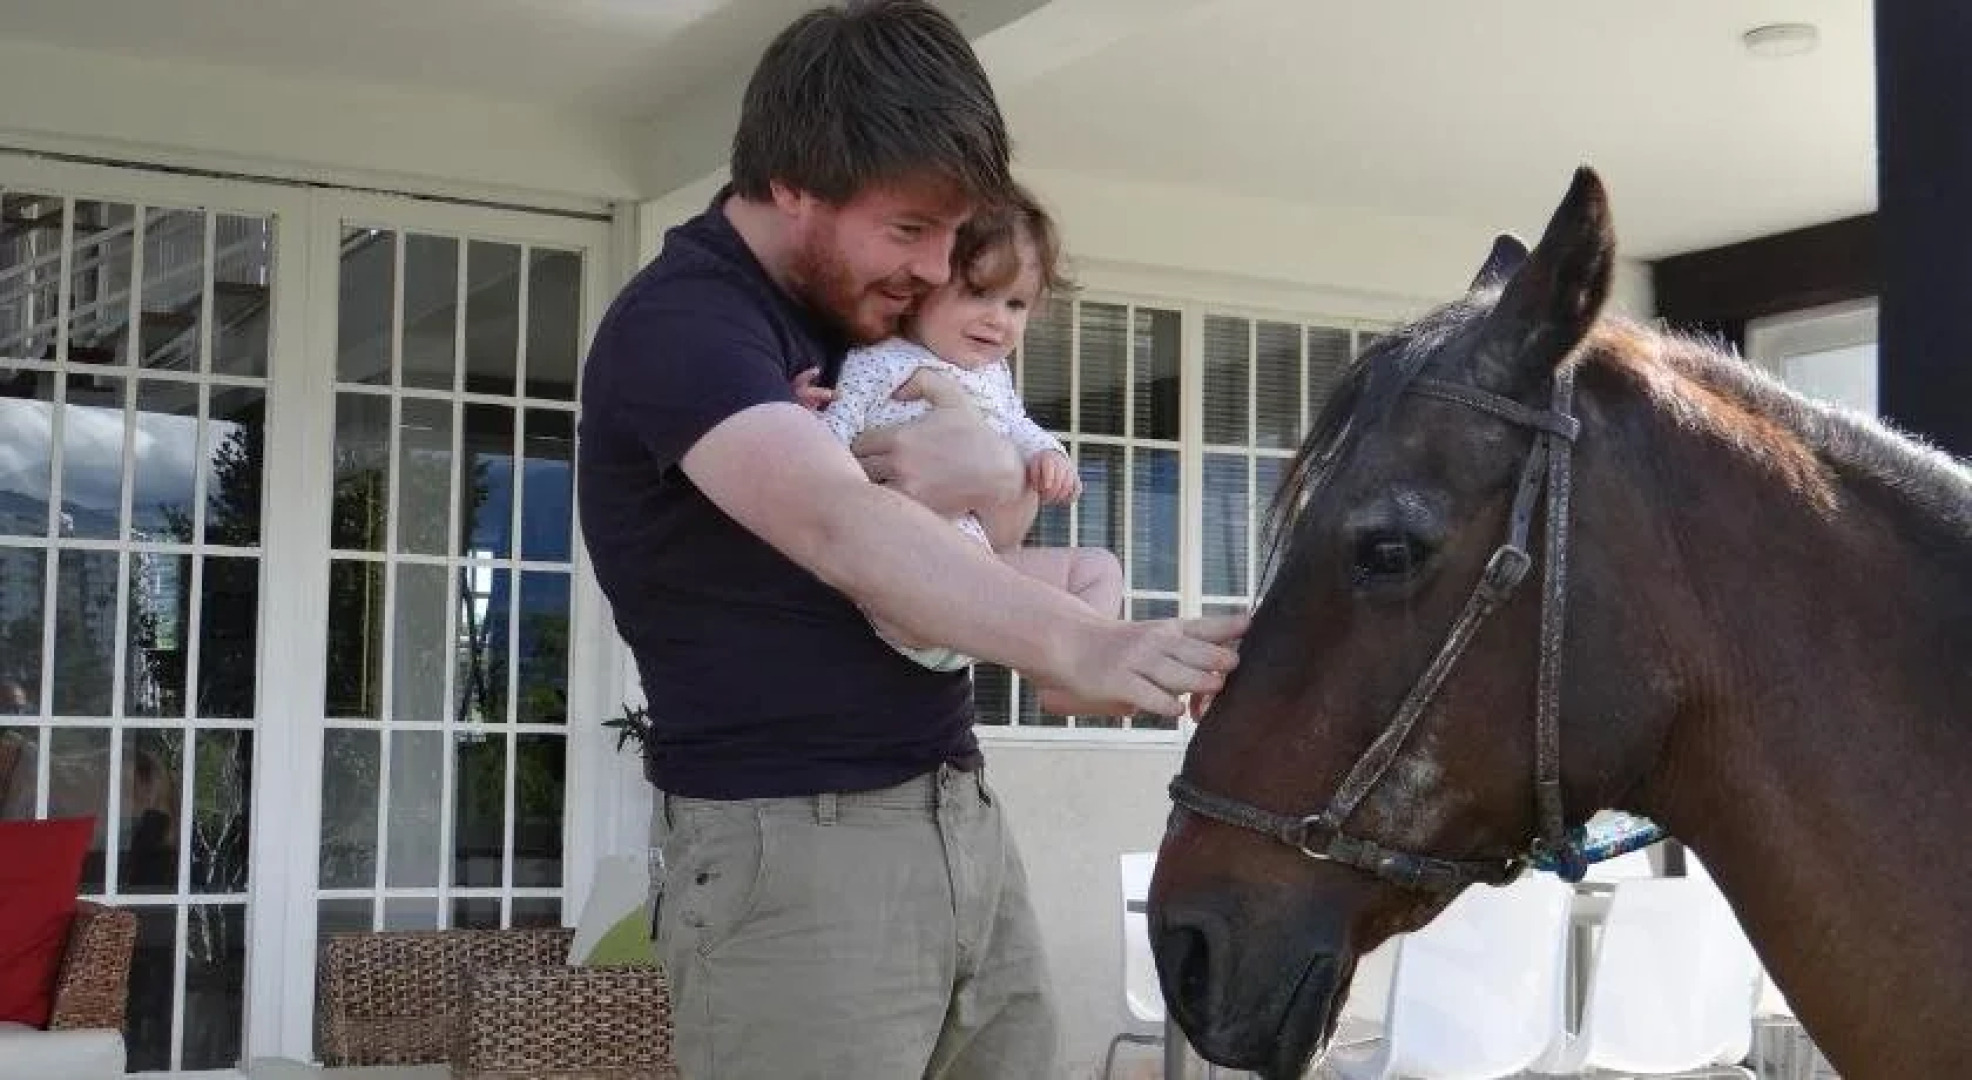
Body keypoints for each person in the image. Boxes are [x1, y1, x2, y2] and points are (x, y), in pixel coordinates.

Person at [575, 2, 1245, 1077]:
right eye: (908, 230)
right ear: (793, 186)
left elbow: (994, 511)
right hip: (794, 848)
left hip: (959, 814)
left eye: (952, 234)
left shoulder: (863, 317)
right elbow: (840, 523)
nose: (939, 270)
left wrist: (989, 472)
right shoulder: (689, 325)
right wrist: (1090, 645)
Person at [804, 185, 1122, 673]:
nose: (998, 320)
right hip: (908, 576)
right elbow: (830, 440)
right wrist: (799, 414)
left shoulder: (992, 377)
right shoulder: (881, 361)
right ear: (921, 291)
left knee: (1097, 569)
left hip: (981, 585)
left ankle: (1076, 674)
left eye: (1016, 305)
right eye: (978, 293)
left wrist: (1048, 455)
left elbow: (1018, 425)